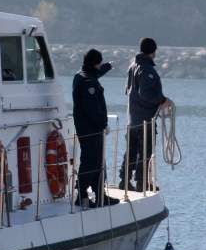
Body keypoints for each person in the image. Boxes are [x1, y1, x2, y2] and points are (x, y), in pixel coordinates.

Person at [119, 37, 172, 191]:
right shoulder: (147, 69)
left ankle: (124, 180)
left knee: (131, 151)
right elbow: (145, 93)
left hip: (132, 118)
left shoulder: (132, 66)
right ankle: (141, 183)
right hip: (145, 120)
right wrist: (162, 100)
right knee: (145, 152)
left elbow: (127, 90)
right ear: (153, 51)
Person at [72, 48, 116, 208]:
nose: (100, 66)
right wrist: (103, 124)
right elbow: (92, 109)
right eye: (99, 64)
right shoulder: (88, 83)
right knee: (90, 162)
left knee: (98, 161)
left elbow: (95, 72)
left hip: (88, 128)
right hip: (90, 129)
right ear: (95, 64)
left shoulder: (82, 75)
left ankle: (100, 194)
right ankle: (82, 195)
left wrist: (108, 66)